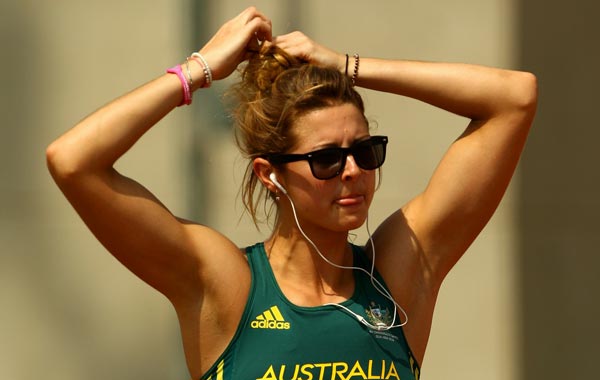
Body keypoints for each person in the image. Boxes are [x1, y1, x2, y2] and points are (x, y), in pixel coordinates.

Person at [46, 7, 537, 380]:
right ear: (269, 174)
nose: (352, 172)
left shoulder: (400, 274)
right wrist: (198, 70)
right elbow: (72, 160)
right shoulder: (225, 285)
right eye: (326, 159)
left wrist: (346, 65)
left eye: (365, 151)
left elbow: (514, 98)